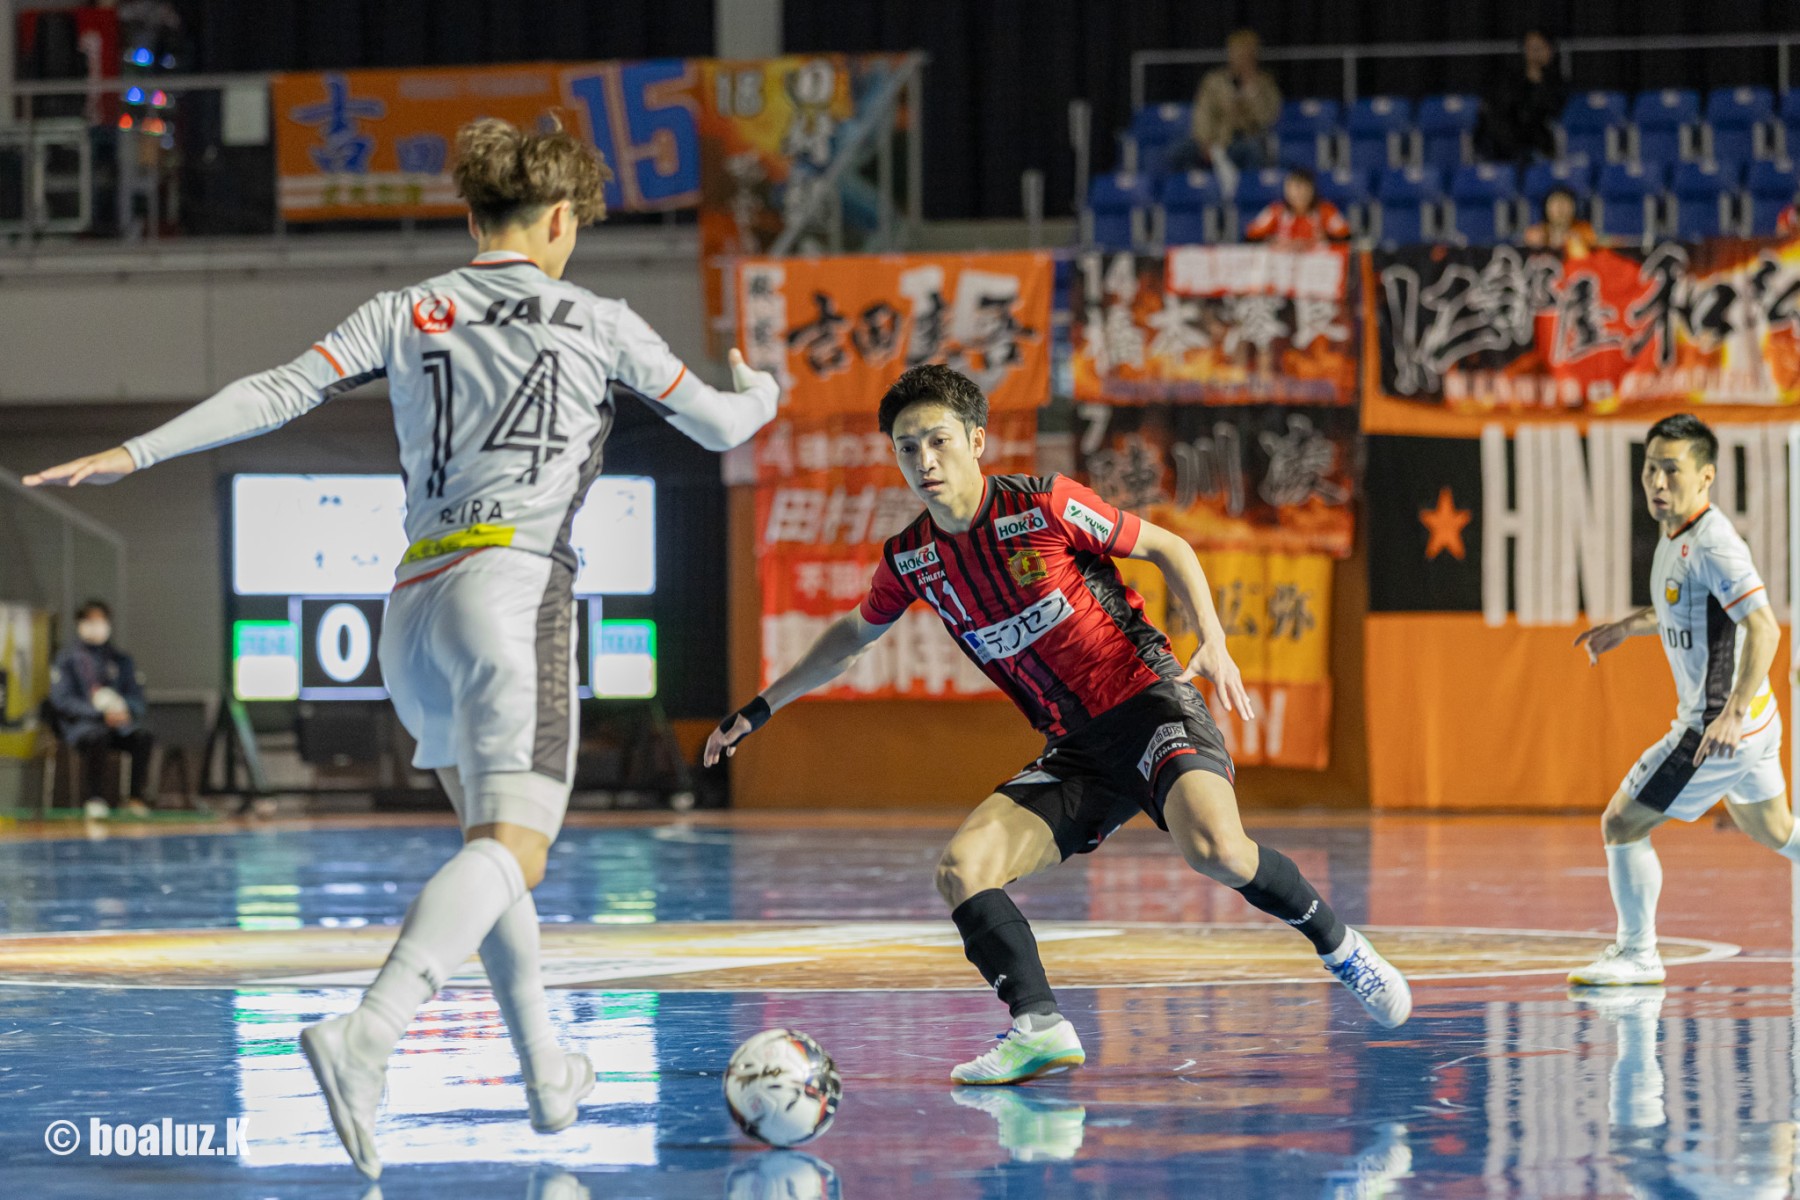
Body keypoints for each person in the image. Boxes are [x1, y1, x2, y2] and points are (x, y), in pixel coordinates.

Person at [25, 114, 779, 1178]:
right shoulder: (600, 320)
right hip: (515, 592)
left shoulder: (407, 308)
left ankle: (547, 1071)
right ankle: (369, 1031)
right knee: (515, 850)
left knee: (489, 847)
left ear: (472, 219)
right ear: (564, 219)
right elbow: (723, 426)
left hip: (413, 607)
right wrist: (765, 392)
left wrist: (135, 451)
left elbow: (276, 391)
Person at [706, 364, 1409, 1086]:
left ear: (977, 441)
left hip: (1150, 705)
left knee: (1217, 851)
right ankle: (1039, 1028)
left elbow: (1169, 547)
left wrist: (1215, 639)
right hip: (1076, 752)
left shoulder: (1042, 506)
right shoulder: (914, 558)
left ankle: (1342, 947)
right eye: (906, 448)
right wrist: (760, 707)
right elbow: (850, 638)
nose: (923, 461)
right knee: (962, 870)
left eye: (938, 441)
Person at [1568, 415, 1797, 987]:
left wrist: (1731, 715)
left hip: (1717, 728)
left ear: (1706, 477)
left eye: (1672, 470)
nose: (1657, 481)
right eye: (1650, 468)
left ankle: (1638, 954)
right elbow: (1684, 608)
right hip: (1754, 720)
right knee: (1777, 831)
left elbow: (1764, 627)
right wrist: (1627, 627)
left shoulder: (1714, 545)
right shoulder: (1676, 536)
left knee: (1622, 822)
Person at [48, 599, 153, 818]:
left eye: (100, 620)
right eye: (90, 620)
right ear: (80, 623)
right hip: (84, 726)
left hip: (118, 723)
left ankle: (134, 797)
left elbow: (137, 697)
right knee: (98, 737)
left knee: (142, 738)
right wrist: (98, 714)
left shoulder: (120, 660)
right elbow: (62, 700)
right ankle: (95, 798)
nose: (96, 626)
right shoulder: (67, 660)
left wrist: (125, 710)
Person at [1167, 29, 1280, 181]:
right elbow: (1202, 113)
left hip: (1244, 140)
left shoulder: (1265, 83)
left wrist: (1252, 90)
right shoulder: (1214, 80)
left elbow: (1267, 118)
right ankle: (1187, 190)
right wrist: (1205, 141)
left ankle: (1248, 192)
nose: (1240, 58)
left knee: (1255, 152)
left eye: (1245, 53)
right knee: (1175, 153)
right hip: (1213, 139)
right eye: (1236, 52)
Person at [1478, 30, 1567, 165]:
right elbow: (1505, 106)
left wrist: (1539, 82)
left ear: (1550, 50)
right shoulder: (1512, 78)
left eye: (1539, 48)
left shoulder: (1557, 82)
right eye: (1530, 49)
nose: (1535, 54)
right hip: (1510, 136)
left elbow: (1554, 110)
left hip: (1540, 135)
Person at [1243, 166, 1350, 244]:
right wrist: (1271, 240)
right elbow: (1250, 237)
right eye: (1294, 189)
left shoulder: (1326, 211)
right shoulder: (1274, 211)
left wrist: (1327, 238)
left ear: (1313, 190)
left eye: (1304, 189)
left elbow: (1346, 237)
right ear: (1286, 191)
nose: (1299, 194)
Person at [1522, 185, 1598, 253]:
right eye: (1555, 204)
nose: (1560, 209)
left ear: (1574, 208)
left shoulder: (1585, 232)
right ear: (1546, 208)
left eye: (1565, 203)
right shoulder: (1535, 234)